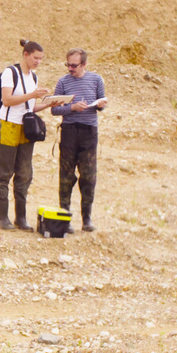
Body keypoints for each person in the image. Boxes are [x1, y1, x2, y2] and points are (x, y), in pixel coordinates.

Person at [0, 39, 64, 231]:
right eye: (35, 57)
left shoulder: (33, 77)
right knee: (3, 172)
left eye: (41, 59)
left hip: (25, 127)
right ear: (26, 54)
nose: (38, 61)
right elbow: (7, 100)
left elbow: (29, 107)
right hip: (8, 126)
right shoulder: (10, 73)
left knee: (24, 173)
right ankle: (2, 217)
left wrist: (48, 104)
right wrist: (32, 94)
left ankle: (21, 218)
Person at [50, 48, 107, 232]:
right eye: (68, 64)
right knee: (66, 176)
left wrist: (100, 105)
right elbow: (54, 109)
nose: (70, 69)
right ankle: (64, 219)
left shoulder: (96, 80)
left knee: (89, 176)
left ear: (84, 64)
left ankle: (87, 219)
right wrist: (72, 107)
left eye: (74, 65)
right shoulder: (62, 82)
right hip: (69, 132)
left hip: (89, 133)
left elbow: (101, 104)